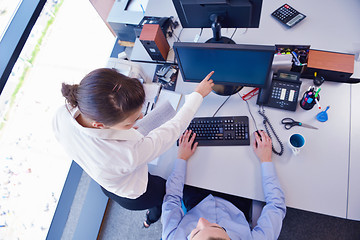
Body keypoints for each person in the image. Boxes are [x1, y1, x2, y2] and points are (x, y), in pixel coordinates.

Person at [53, 68, 214, 227]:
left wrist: (122, 129)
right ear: (101, 125)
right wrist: (197, 95)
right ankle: (151, 219)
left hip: (106, 181)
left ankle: (150, 218)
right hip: (137, 194)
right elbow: (174, 128)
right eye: (130, 122)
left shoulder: (61, 115)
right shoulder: (127, 154)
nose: (141, 118)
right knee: (162, 197)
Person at [161, 130, 286, 239]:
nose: (201, 220)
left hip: (196, 201)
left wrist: (181, 158)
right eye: (218, 227)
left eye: (195, 233)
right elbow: (276, 205)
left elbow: (171, 198)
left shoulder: (171, 237)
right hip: (236, 202)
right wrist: (266, 160)